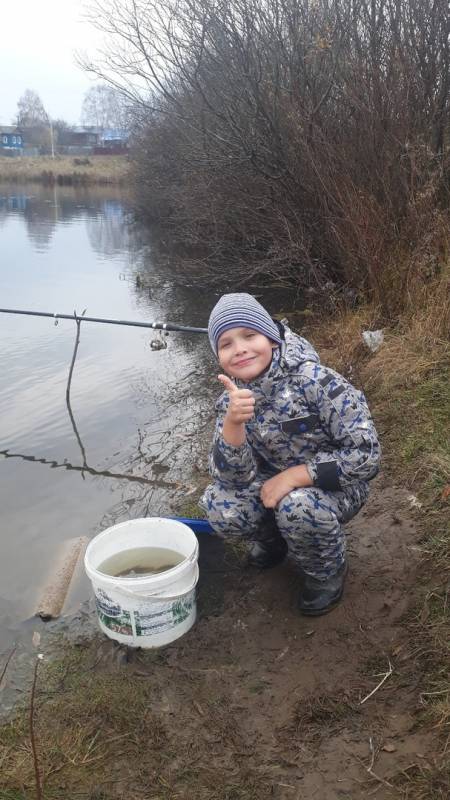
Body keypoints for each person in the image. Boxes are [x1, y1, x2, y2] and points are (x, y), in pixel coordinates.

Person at [200, 293, 381, 616]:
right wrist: (233, 424)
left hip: (336, 486)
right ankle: (274, 541)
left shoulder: (316, 381)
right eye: (226, 344)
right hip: (273, 487)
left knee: (298, 507)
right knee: (220, 505)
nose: (239, 348)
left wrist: (295, 478)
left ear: (270, 337)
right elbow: (231, 480)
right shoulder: (230, 398)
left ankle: (326, 573)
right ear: (218, 357)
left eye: (249, 335)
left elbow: (366, 455)